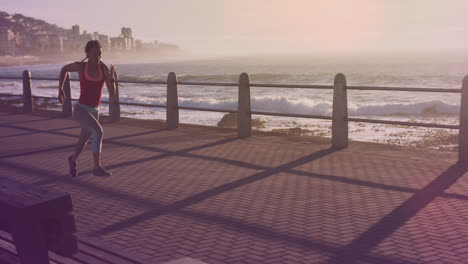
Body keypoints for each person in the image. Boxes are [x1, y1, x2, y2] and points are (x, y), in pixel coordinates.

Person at [58, 40, 116, 177]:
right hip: (80, 110)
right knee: (98, 131)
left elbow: (112, 92)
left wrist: (111, 79)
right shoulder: (80, 67)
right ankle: (97, 168)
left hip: (95, 111)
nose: (98, 57)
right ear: (88, 53)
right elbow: (64, 69)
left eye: (100, 54)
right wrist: (60, 89)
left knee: (83, 141)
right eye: (95, 54)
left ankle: (72, 160)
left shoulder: (104, 68)